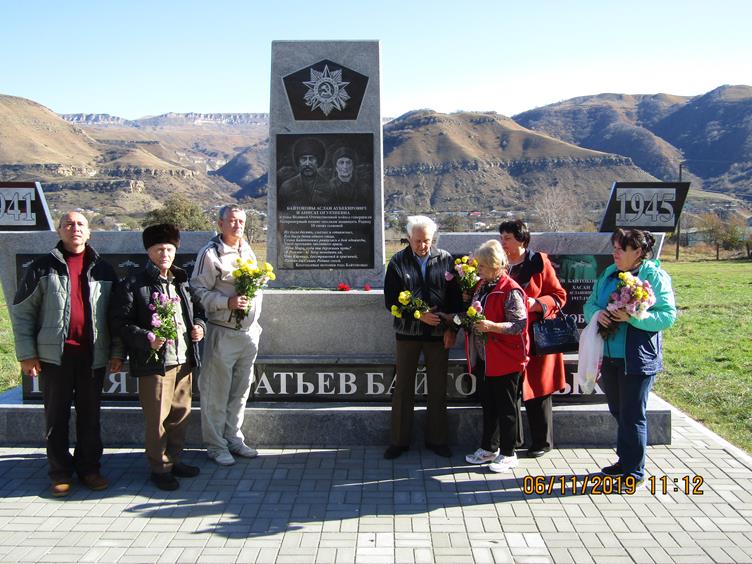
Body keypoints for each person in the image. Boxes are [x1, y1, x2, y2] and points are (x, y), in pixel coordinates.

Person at [11, 211, 123, 497]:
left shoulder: (104, 270)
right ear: (59, 231)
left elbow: (116, 316)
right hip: (55, 358)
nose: (75, 228)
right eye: (69, 224)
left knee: (90, 416)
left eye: (80, 224)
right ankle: (60, 473)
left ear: (89, 233)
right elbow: (23, 315)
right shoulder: (41, 267)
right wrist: (27, 354)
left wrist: (116, 352)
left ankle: (89, 469)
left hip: (92, 358)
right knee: (56, 417)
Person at [110, 224, 206, 490]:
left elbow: (197, 313)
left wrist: (199, 327)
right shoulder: (134, 283)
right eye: (159, 249)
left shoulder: (181, 282)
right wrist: (147, 338)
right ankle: (159, 466)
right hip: (155, 364)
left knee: (180, 414)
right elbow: (120, 322)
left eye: (169, 249)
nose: (165, 254)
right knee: (158, 419)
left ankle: (175, 459)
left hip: (184, 360)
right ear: (149, 252)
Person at [583, 228, 676, 487]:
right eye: (614, 247)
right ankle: (625, 461)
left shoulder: (654, 276)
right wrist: (597, 314)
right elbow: (590, 303)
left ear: (638, 252)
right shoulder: (609, 274)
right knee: (618, 411)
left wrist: (636, 316)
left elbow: (668, 316)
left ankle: (634, 473)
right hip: (609, 355)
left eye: (620, 249)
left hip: (636, 358)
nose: (614, 253)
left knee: (633, 414)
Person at [383, 216, 461, 459]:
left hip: (439, 335)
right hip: (408, 334)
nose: (422, 246)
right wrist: (419, 315)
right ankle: (399, 441)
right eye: (417, 241)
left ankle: (437, 440)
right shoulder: (397, 261)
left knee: (438, 388)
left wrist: (452, 329)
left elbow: (456, 300)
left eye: (427, 240)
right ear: (408, 238)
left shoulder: (447, 260)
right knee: (403, 387)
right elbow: (391, 300)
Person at [191, 205, 262, 466]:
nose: (237, 226)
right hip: (223, 332)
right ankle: (215, 445)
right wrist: (226, 302)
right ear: (220, 224)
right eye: (231, 221)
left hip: (248, 334)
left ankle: (233, 437)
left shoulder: (247, 249)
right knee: (215, 393)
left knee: (240, 392)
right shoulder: (210, 253)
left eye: (241, 221)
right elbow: (197, 290)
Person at [498, 219, 567, 458]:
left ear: (522, 240)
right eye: (502, 238)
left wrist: (535, 304)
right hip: (508, 339)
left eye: (507, 238)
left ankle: (542, 442)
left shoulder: (539, 262)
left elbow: (559, 295)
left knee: (538, 389)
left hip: (536, 338)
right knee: (510, 392)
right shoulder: (500, 265)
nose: (503, 243)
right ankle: (513, 441)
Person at [464, 240, 528, 473]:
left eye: (481, 265)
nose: (478, 269)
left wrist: (492, 326)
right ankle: (489, 448)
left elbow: (520, 325)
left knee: (506, 408)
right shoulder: (483, 285)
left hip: (506, 359)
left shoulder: (510, 289)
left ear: (493, 265)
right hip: (486, 358)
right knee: (489, 405)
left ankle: (509, 454)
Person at [277, 137, 331, 207]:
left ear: (318, 162)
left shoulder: (328, 187)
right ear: (298, 162)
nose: (307, 163)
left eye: (311, 159)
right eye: (303, 159)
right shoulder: (287, 187)